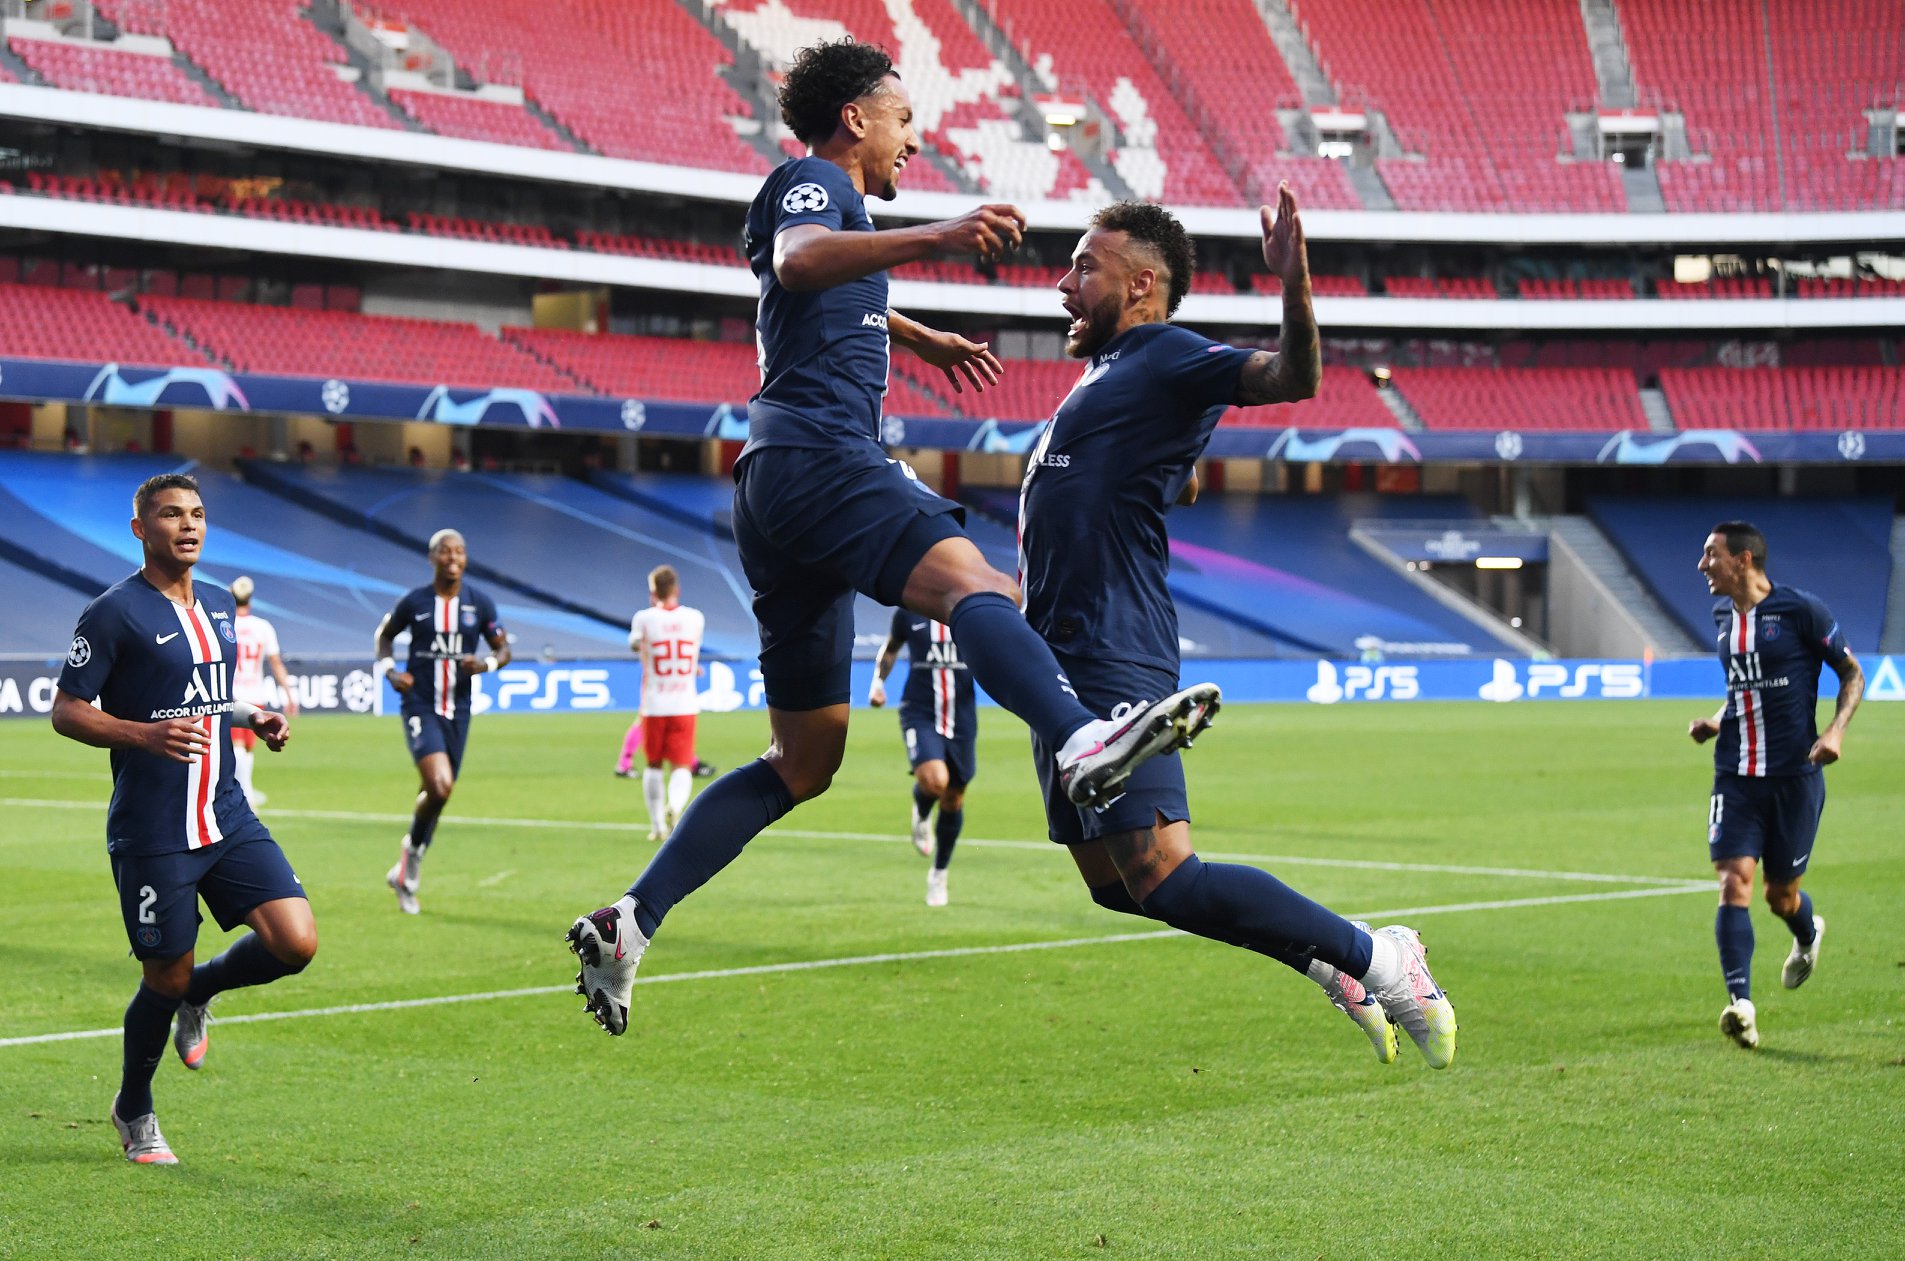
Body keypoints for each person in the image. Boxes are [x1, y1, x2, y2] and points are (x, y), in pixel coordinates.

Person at [566, 38, 1219, 1036]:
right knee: (980, 591)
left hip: (777, 488)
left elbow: (817, 291)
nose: (917, 138)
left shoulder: (840, 213)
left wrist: (918, 335)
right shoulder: (814, 183)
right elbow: (798, 262)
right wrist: (944, 233)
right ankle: (1082, 737)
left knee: (803, 758)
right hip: (824, 456)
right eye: (905, 119)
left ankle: (634, 919)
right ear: (858, 120)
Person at [1017, 191, 1457, 1068]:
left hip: (1111, 641)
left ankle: (1380, 953)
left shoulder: (1162, 351)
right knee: (1114, 887)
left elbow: (1289, 379)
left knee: (1163, 870)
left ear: (1142, 284)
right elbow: (1160, 470)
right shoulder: (1109, 377)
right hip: (1056, 659)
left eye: (1083, 268)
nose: (1064, 286)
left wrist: (1293, 284)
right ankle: (1328, 961)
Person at [50, 473, 317, 1165]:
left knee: (296, 941)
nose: (188, 524)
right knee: (161, 977)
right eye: (171, 514)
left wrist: (250, 712)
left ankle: (202, 990)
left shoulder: (223, 607)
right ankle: (133, 1106)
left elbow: (204, 695)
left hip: (225, 813)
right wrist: (143, 735)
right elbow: (67, 709)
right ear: (141, 528)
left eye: (197, 513)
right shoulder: (113, 612)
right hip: (154, 828)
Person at [1689, 521, 1862, 1049]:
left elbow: (1851, 673)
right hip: (1736, 774)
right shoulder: (1723, 616)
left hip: (1794, 776)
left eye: (1711, 554)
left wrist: (1834, 730)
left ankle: (1807, 934)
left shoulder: (1801, 611)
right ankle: (1740, 1004)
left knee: (1780, 897)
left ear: (1743, 560)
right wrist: (1720, 718)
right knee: (1733, 881)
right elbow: (1742, 687)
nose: (1702, 565)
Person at [370, 529, 510, 914]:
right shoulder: (414, 602)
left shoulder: (479, 603)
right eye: (445, 551)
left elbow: (504, 648)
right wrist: (390, 671)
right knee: (440, 785)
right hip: (420, 703)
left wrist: (486, 663)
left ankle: (405, 873)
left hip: (459, 709)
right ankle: (410, 858)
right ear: (431, 558)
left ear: (466, 559)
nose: (453, 557)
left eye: (460, 551)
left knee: (435, 796)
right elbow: (384, 636)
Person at [870, 610, 973, 907]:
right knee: (935, 781)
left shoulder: (971, 610)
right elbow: (891, 648)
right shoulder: (908, 612)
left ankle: (939, 873)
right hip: (920, 712)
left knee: (954, 799)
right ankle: (922, 810)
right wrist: (877, 683)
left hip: (962, 718)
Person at [614, 566, 708, 841]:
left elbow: (634, 644)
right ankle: (675, 806)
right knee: (681, 766)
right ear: (677, 590)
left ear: (653, 592)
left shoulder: (644, 619)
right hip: (685, 703)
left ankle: (657, 826)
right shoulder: (695, 618)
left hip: (655, 704)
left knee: (653, 765)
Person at [228, 575, 297, 808]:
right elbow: (276, 662)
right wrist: (288, 692)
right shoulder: (263, 627)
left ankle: (243, 794)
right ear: (251, 599)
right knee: (246, 750)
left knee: (238, 749)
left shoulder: (224, 623)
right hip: (254, 694)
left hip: (231, 694)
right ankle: (245, 795)